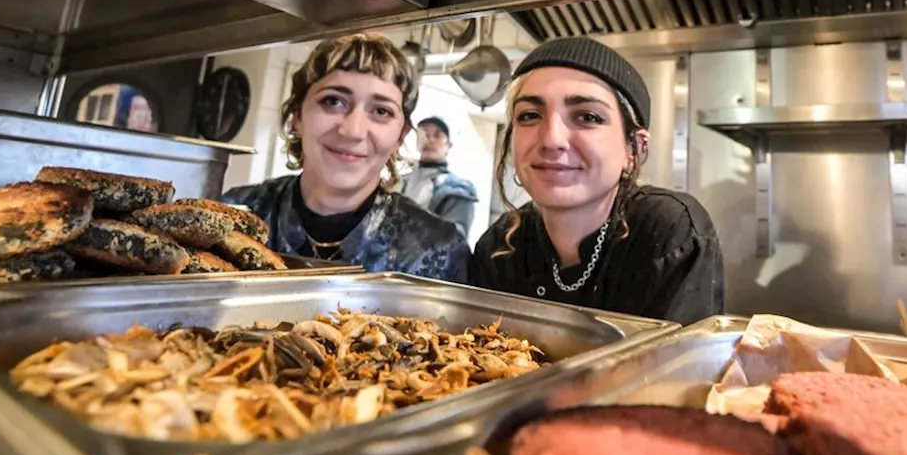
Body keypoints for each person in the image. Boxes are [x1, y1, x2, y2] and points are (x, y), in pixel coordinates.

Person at [470, 36, 723, 324]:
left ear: (634, 148)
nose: (552, 140)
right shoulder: (499, 246)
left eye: (588, 117)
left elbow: (680, 365)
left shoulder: (669, 230)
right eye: (529, 115)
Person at [223, 34, 469, 280]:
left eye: (381, 111)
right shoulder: (233, 219)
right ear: (297, 116)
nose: (353, 131)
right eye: (333, 101)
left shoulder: (437, 251)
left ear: (401, 136)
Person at [401, 116, 478, 238]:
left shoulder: (459, 190)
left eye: (437, 135)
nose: (430, 139)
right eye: (424, 133)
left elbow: (454, 241)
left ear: (449, 145)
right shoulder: (398, 183)